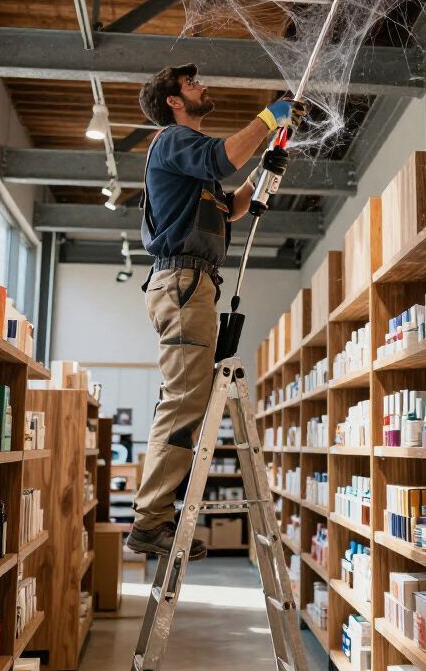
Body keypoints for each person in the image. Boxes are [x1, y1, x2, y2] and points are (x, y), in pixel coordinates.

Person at [127, 64, 303, 561]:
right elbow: (222, 160)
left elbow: (233, 205)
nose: (204, 86)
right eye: (192, 85)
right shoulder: (172, 141)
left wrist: (266, 171)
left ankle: (156, 513)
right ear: (174, 102)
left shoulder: (191, 166)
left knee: (188, 399)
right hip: (183, 283)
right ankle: (149, 523)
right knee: (184, 400)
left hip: (193, 284)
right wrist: (269, 117)